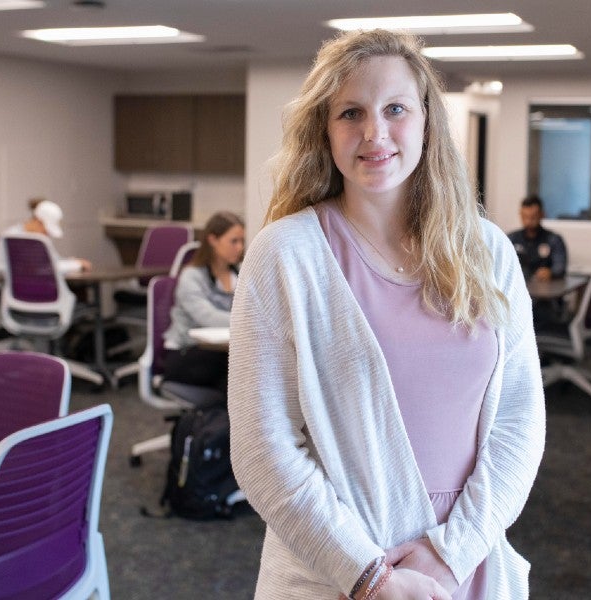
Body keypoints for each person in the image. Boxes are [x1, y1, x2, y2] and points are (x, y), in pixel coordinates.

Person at [227, 30, 545, 600]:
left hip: (467, 554)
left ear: (426, 120)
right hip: (337, 566)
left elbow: (519, 422)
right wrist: (373, 579)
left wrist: (451, 554)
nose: (374, 133)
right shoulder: (286, 253)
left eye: (395, 108)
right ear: (324, 131)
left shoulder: (488, 251)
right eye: (351, 112)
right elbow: (263, 449)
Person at [162, 210, 245, 396]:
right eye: (234, 241)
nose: (240, 247)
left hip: (219, 352)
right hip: (186, 353)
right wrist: (250, 322)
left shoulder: (238, 275)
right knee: (237, 374)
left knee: (247, 369)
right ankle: (221, 422)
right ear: (213, 240)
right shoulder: (191, 277)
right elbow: (208, 317)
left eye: (242, 241)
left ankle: (226, 421)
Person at [0, 198, 92, 276]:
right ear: (38, 222)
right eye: (46, 231)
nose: (47, 235)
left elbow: (53, 261)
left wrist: (73, 262)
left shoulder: (42, 240)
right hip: (17, 291)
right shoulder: (12, 237)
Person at [507, 195, 567, 282]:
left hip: (546, 290)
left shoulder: (554, 240)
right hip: (519, 287)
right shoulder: (511, 239)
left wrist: (551, 272)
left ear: (542, 215)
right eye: (525, 217)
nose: (529, 221)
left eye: (533, 217)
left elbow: (560, 267)